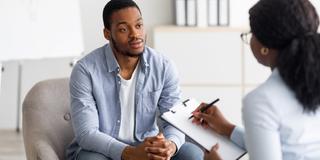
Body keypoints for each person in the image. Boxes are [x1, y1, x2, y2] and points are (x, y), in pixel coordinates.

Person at [66, 0, 203, 160]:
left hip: (147, 145)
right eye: (124, 29)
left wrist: (170, 146)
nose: (135, 34)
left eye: (138, 26)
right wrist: (130, 153)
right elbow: (87, 134)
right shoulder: (85, 70)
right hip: (103, 150)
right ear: (107, 33)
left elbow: (174, 119)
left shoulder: (163, 66)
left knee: (192, 154)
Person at [192, 0, 320, 159]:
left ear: (264, 47)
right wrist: (227, 128)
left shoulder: (262, 101)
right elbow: (281, 146)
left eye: (251, 33)